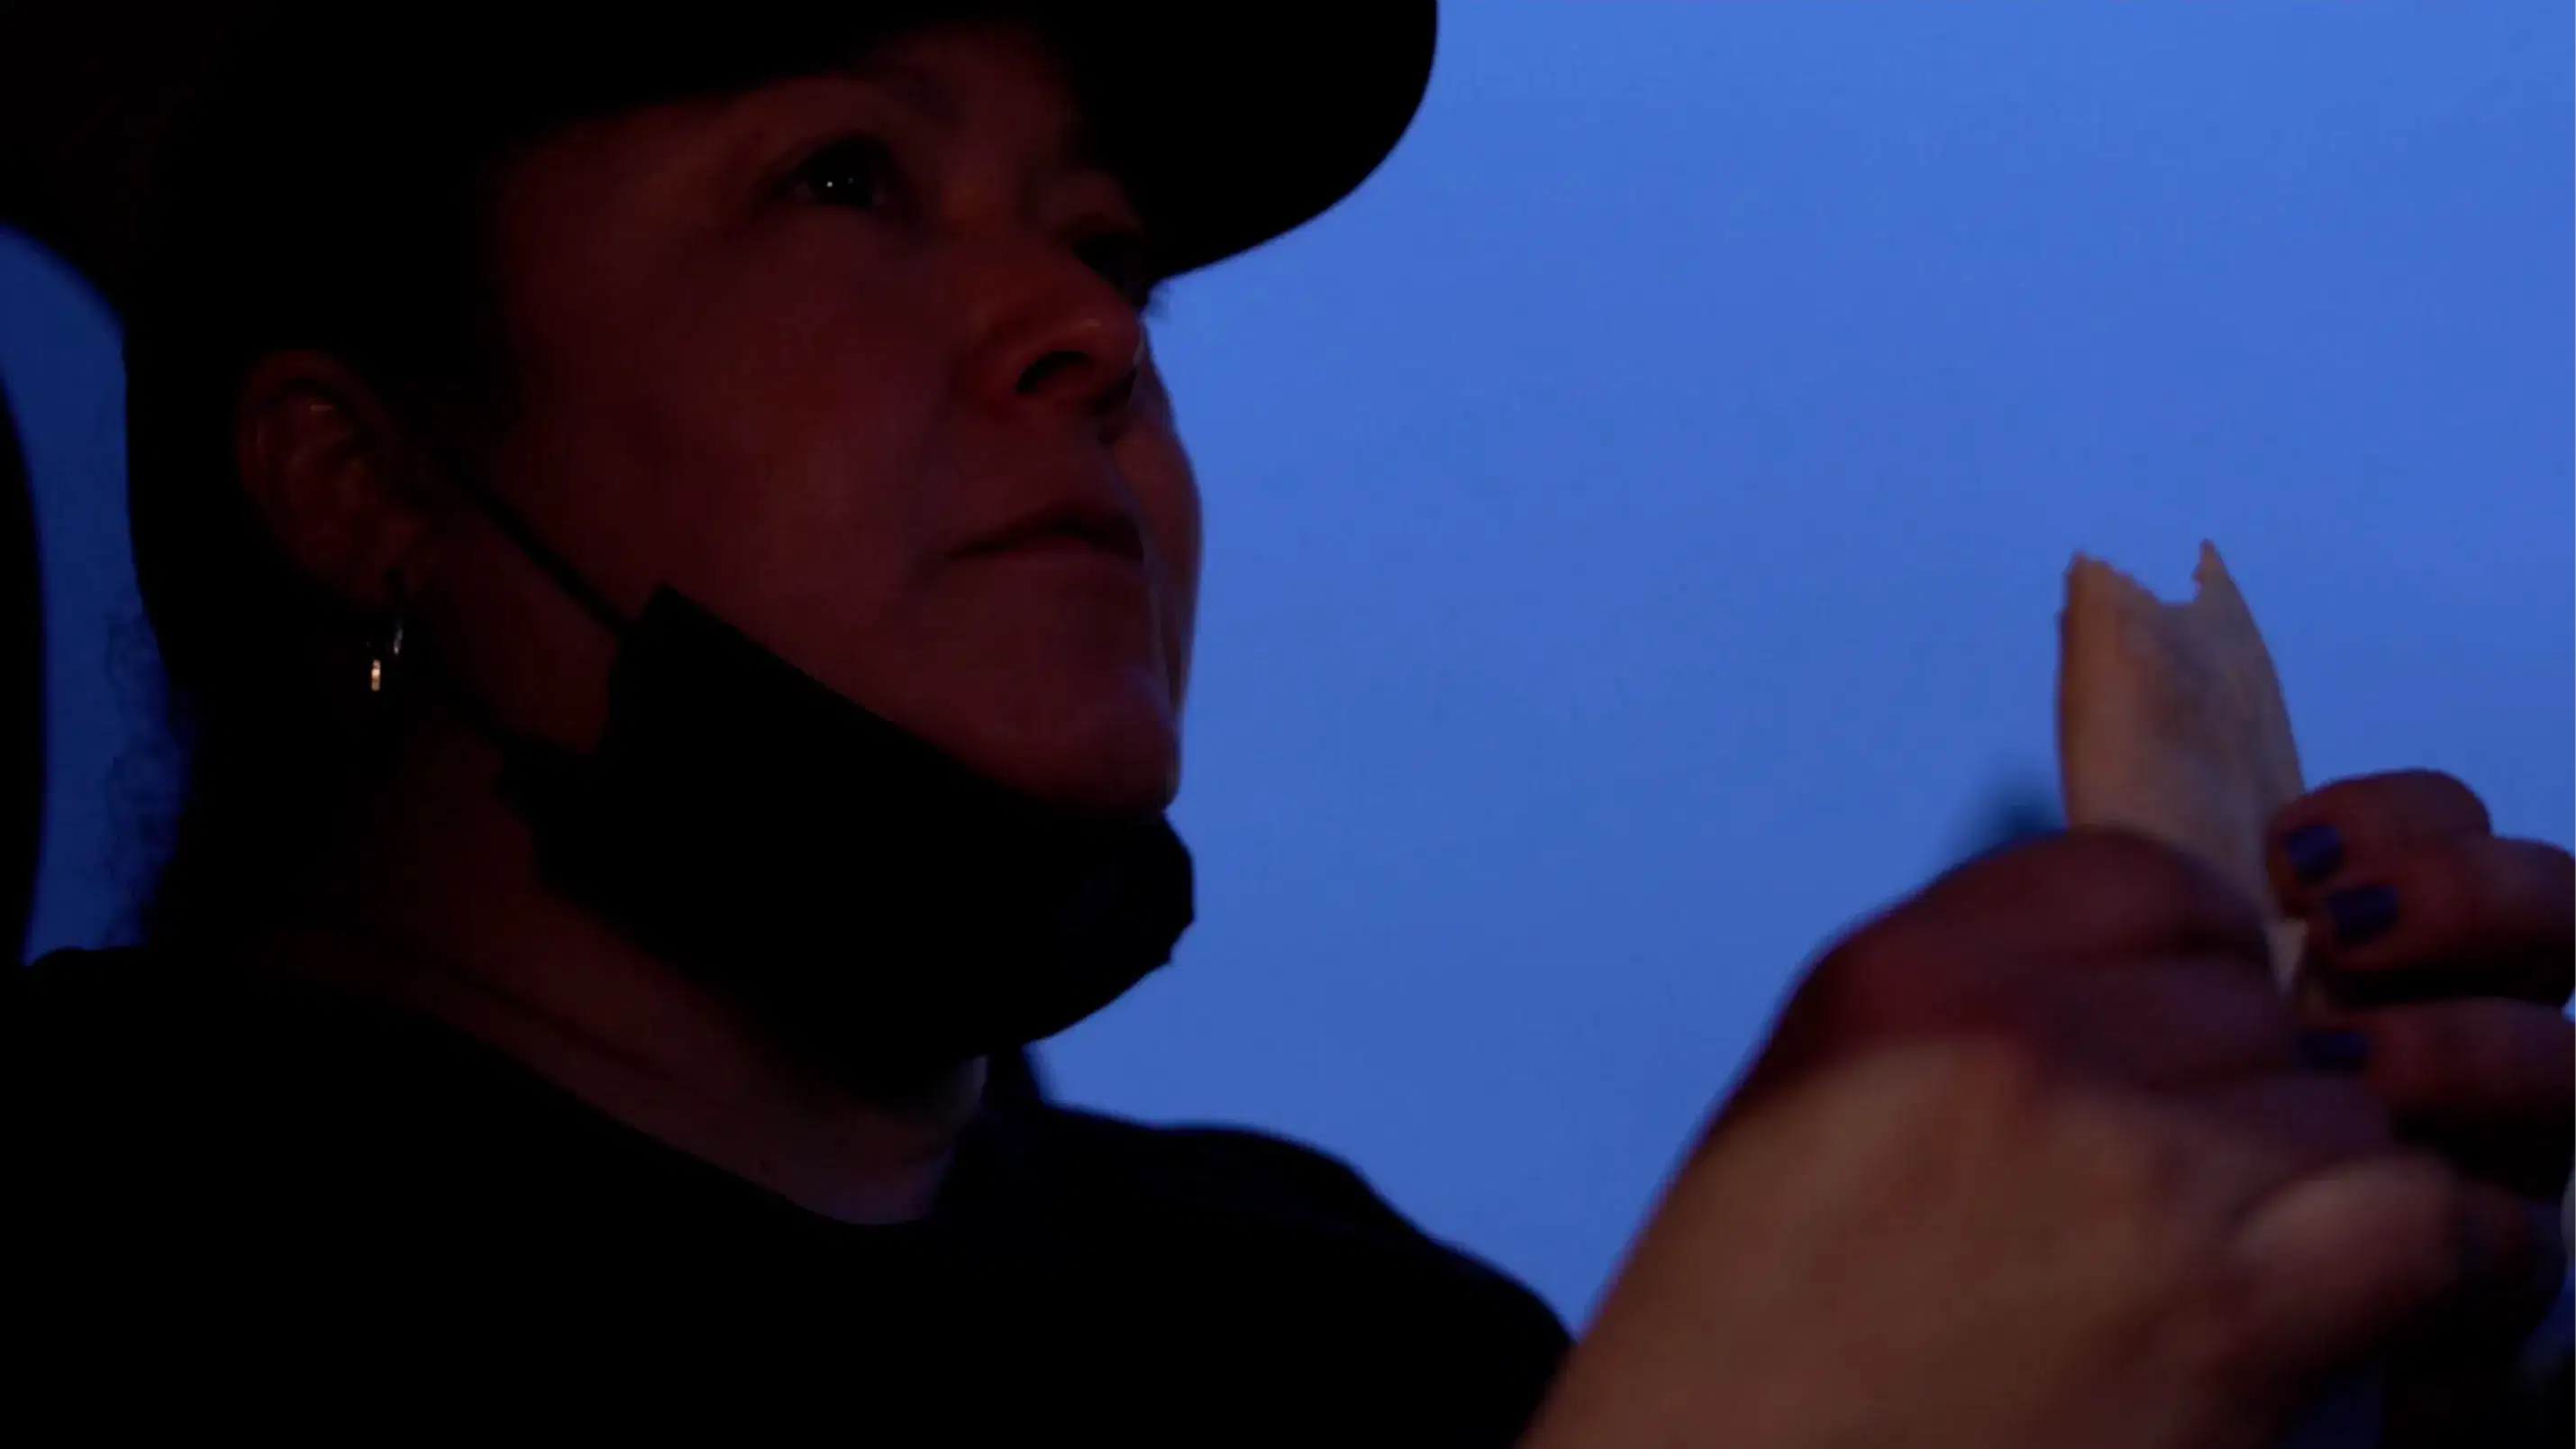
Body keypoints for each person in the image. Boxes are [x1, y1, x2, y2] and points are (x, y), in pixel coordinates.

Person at [4, 3, 2569, 1441]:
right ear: (358, 487)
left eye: (1106, 245)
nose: (1094, 329)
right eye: (840, 182)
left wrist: (2351, 1367)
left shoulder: (1340, 1340)